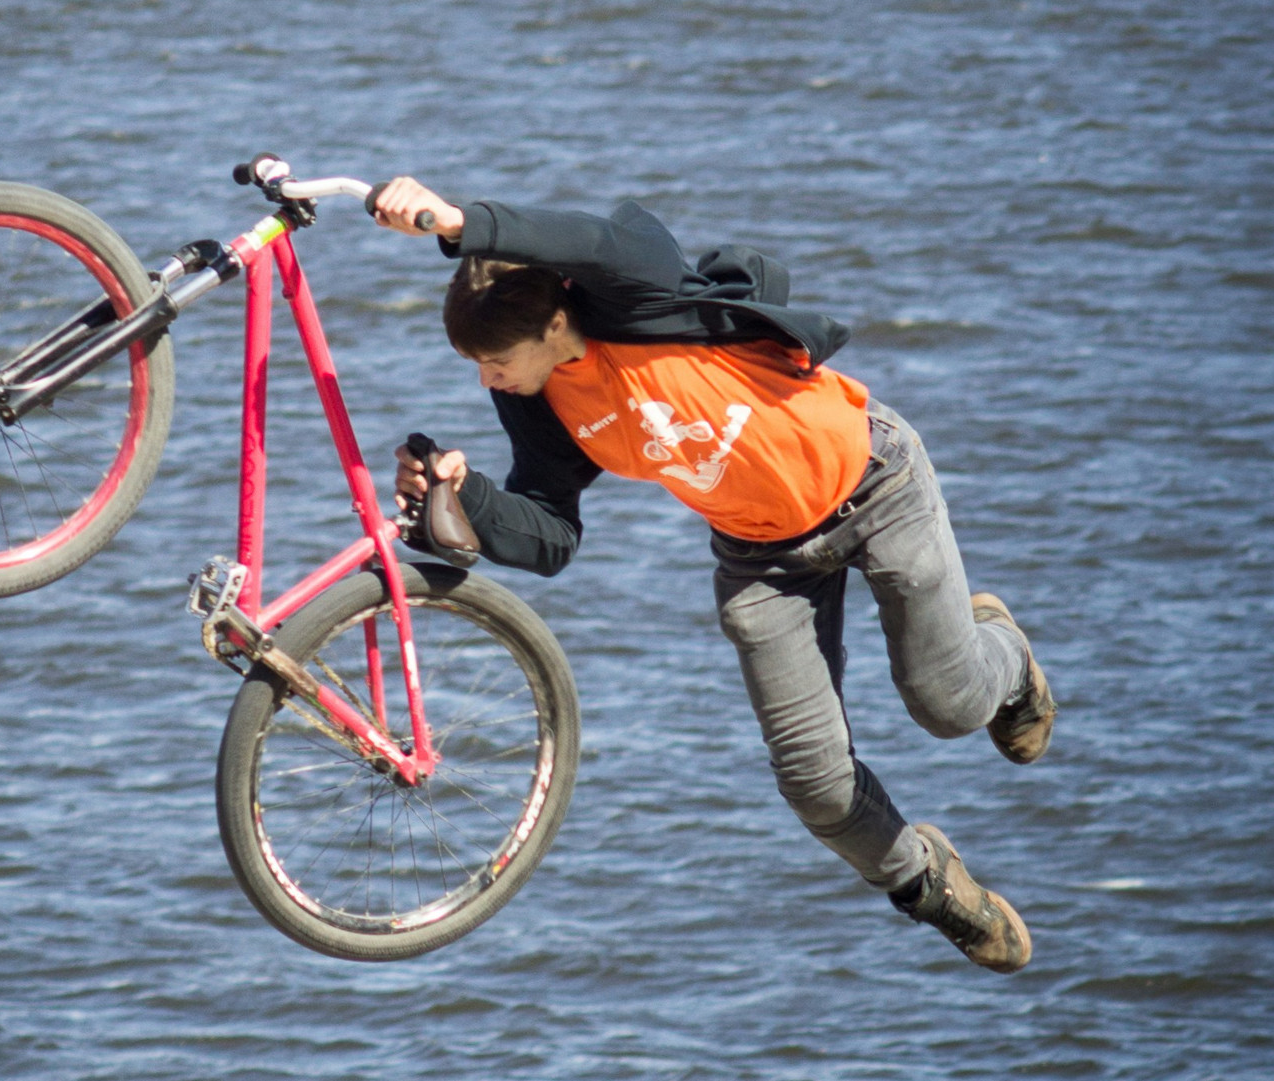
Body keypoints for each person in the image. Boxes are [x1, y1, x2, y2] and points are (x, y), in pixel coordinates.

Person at [370, 178, 1057, 974]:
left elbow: (591, 240)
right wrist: (467, 494)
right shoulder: (536, 398)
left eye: (495, 361)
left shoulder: (639, 296)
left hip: (875, 484)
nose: (488, 380)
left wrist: (461, 223)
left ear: (554, 322)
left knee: (947, 705)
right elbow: (551, 533)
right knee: (812, 783)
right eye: (477, 365)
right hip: (761, 554)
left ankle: (1007, 659)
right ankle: (929, 885)